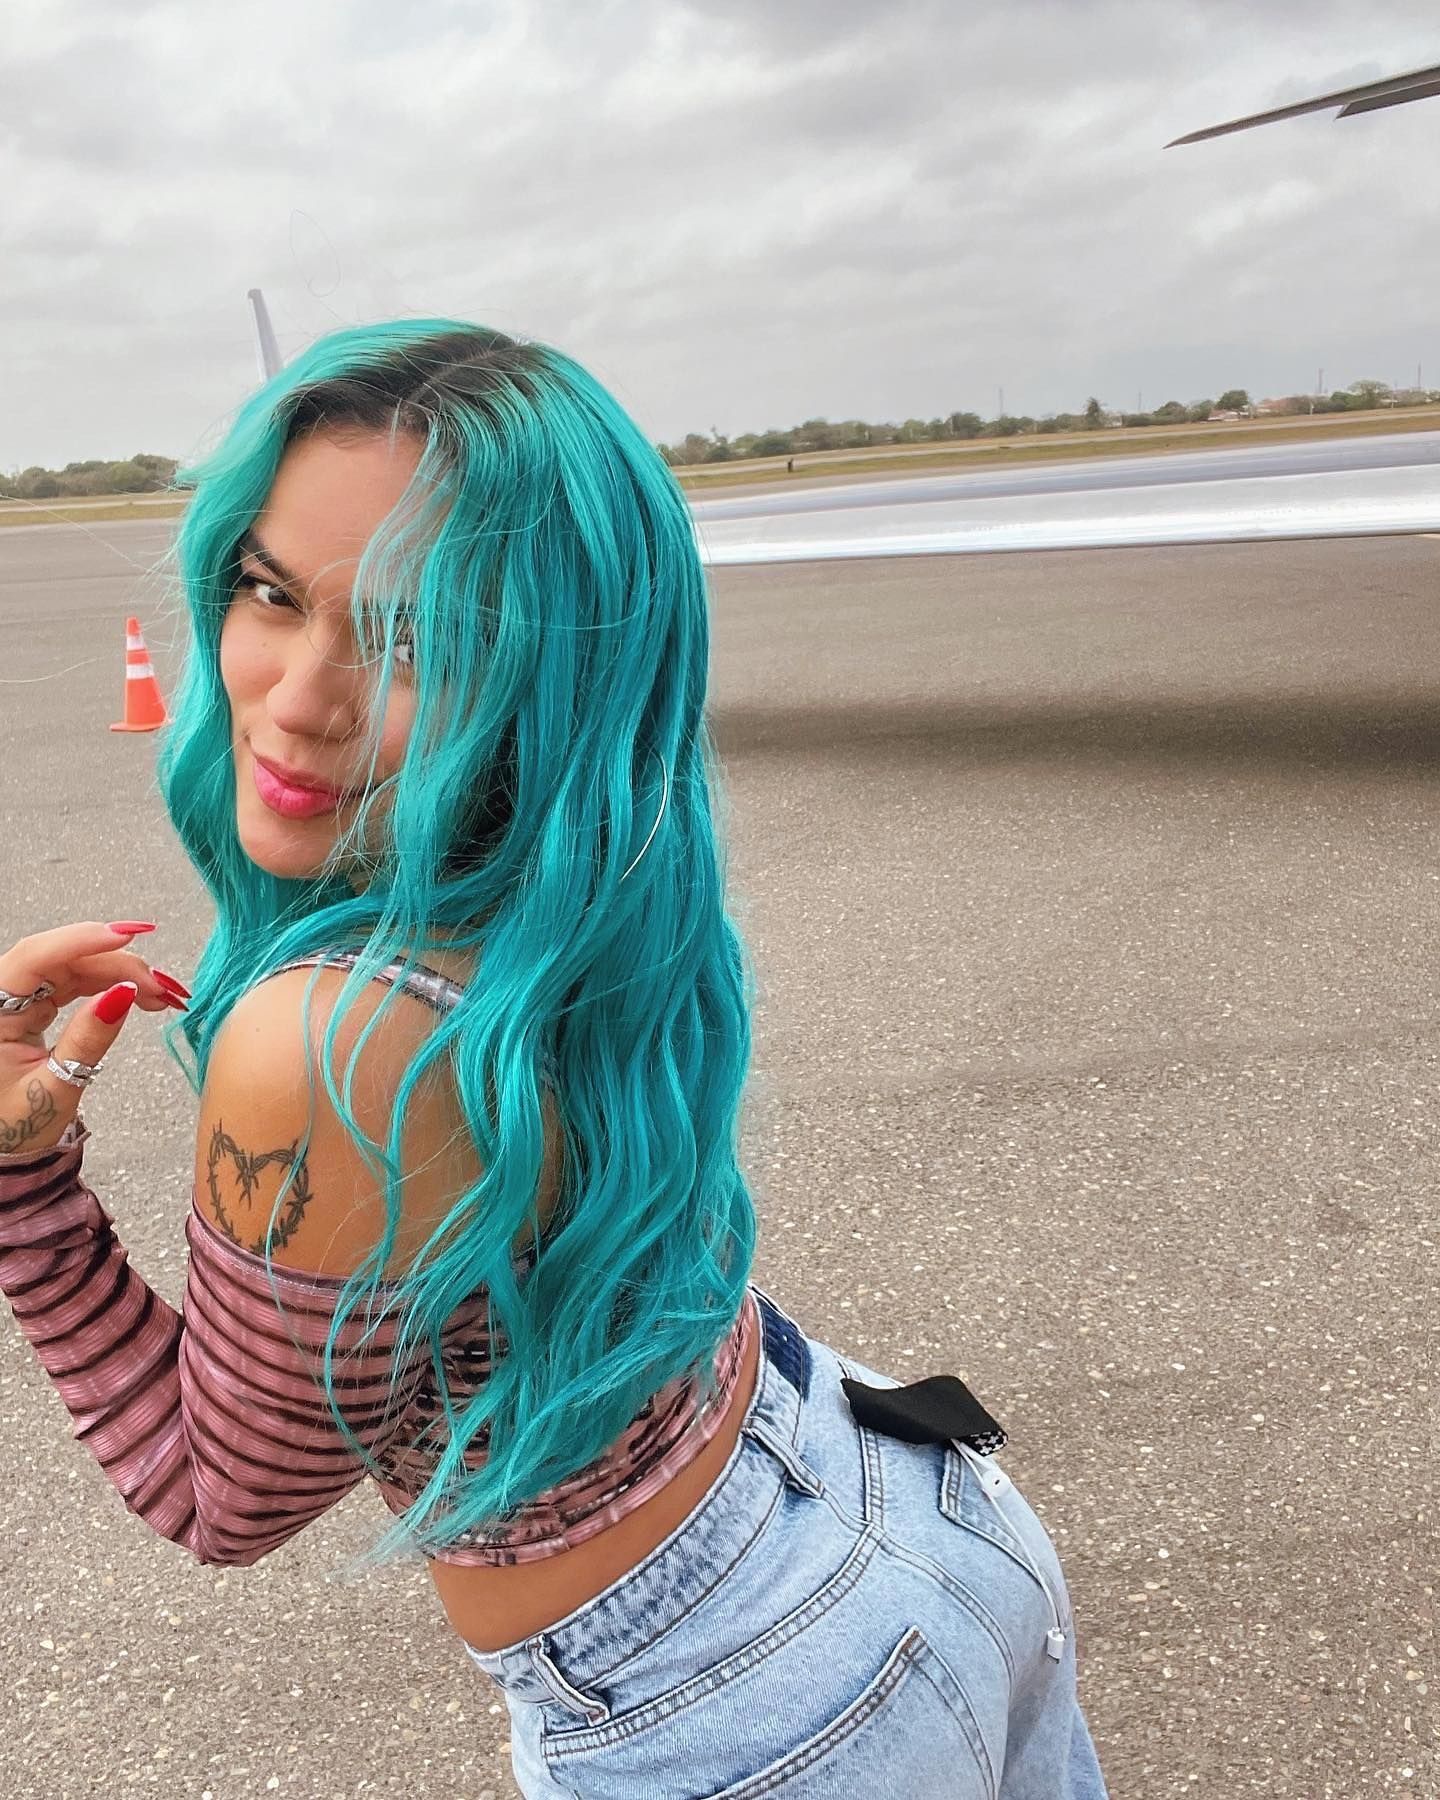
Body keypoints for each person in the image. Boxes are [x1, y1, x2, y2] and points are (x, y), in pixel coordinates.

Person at [0, 321, 1107, 1798]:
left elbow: (216, 1496)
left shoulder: (328, 1044)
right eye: (270, 592)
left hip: (743, 1707)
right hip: (907, 1504)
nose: (302, 697)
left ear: (550, 677)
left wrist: (22, 1186)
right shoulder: (583, 894)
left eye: (418, 637)